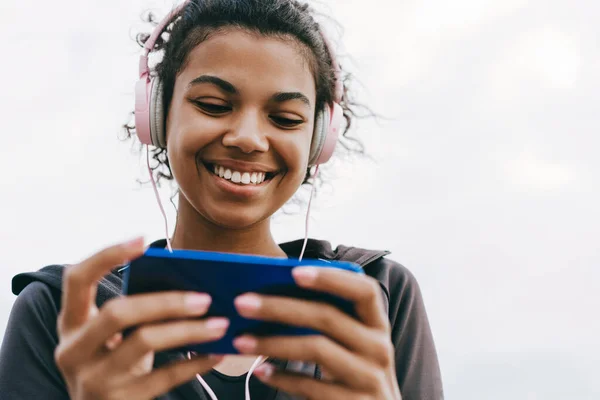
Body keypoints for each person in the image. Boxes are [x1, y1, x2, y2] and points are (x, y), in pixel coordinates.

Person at [0, 1, 444, 399]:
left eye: (286, 118)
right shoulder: (61, 313)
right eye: (213, 105)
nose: (248, 139)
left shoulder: (379, 296)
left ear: (318, 141)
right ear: (156, 114)